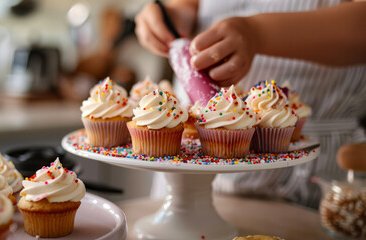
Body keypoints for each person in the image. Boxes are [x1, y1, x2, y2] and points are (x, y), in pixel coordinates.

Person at [135, 0, 366, 208]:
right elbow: (189, 5)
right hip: (189, 151)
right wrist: (174, 17)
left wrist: (258, 34)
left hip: (301, 168)